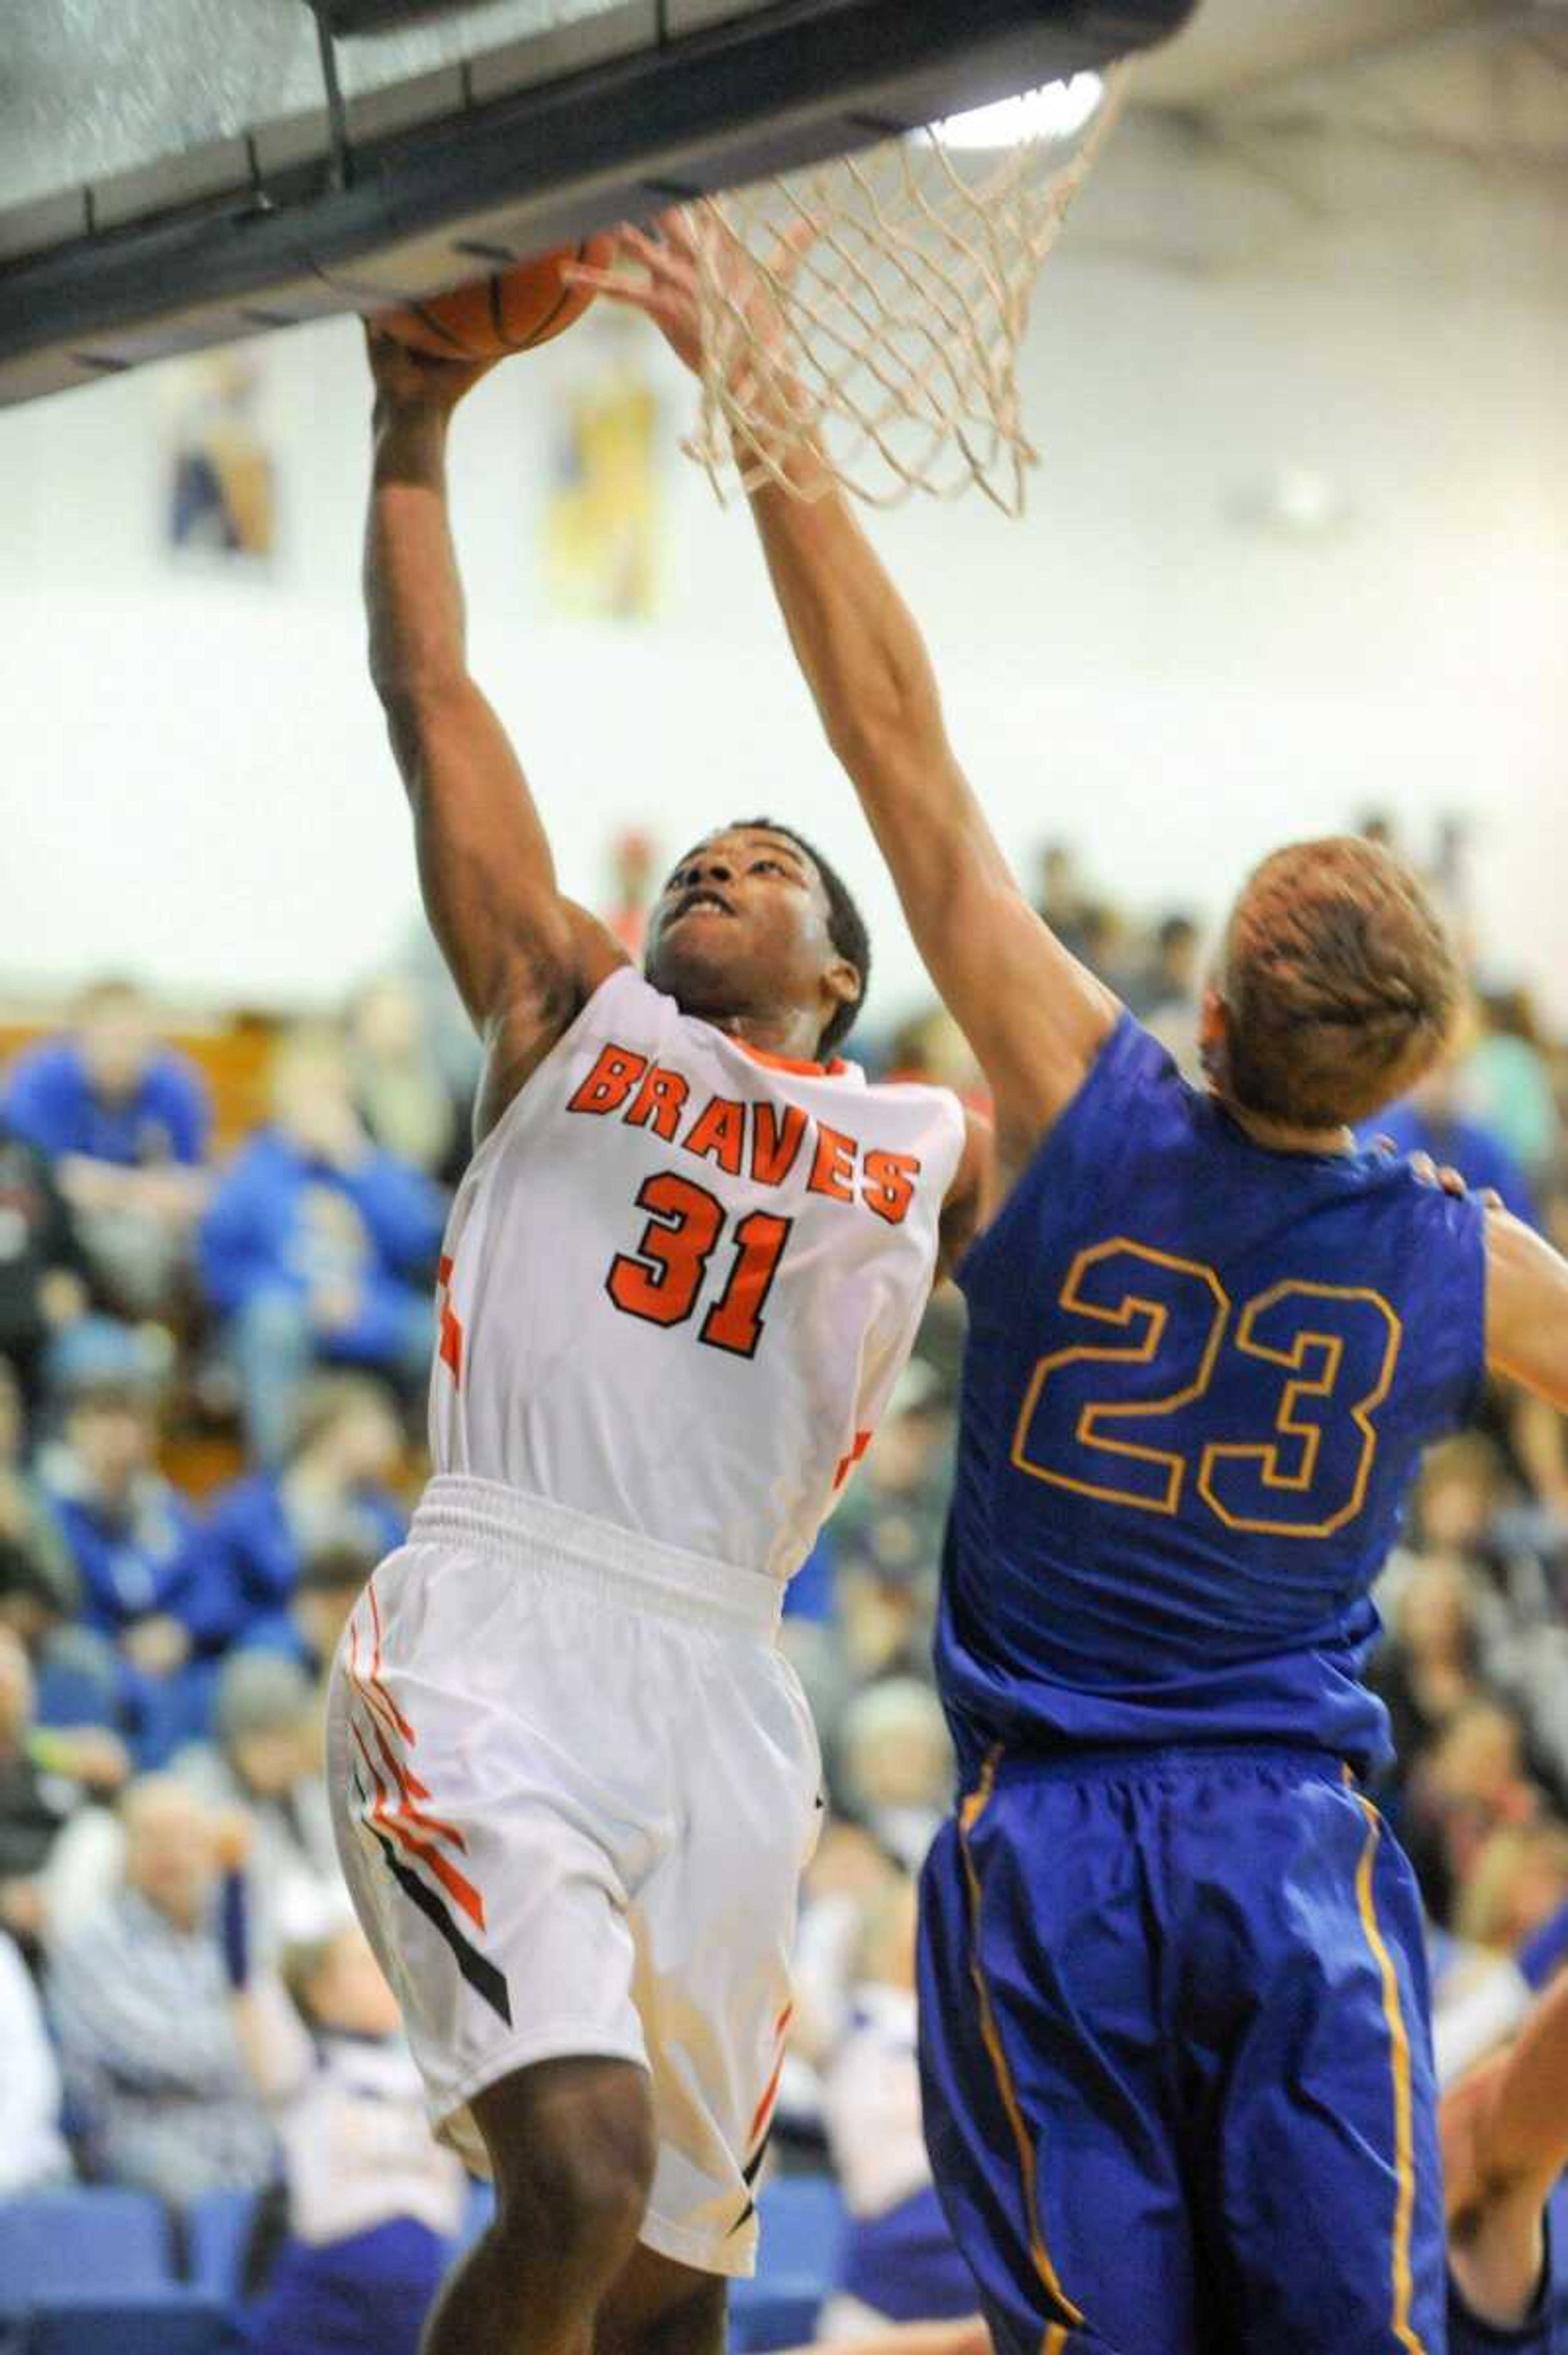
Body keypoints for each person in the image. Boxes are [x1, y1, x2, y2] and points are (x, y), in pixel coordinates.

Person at [579, 212, 1568, 2355]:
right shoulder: (1464, 1257)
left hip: (1053, 1848)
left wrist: (764, 390)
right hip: (1301, 1842)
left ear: (1208, 997)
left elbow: (892, 740)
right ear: (1413, 1072)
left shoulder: (1093, 1101)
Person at [326, 317, 986, 2355]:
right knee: (584, 2171)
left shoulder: (925, 1146)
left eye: (773, 866)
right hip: (498, 1620)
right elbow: (435, 698)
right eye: (700, 852)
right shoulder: (564, 1005)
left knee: (675, 2291)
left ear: (844, 977)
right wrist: (413, 415)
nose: (722, 863)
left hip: (724, 1678)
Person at [199, 1025, 444, 1463]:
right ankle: (280, 1482)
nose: (316, 1107)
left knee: (438, 1339)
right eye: (305, 1093)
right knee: (274, 1325)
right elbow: (220, 1269)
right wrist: (306, 1298)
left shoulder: (371, 1165)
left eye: (328, 1093)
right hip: (285, 1315)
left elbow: (419, 1241)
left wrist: (357, 1163)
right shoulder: (254, 1169)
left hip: (370, 1312)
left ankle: (430, 1482)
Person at [47, 1775, 276, 2206]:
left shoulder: (230, 1936)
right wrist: (249, 2039)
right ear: (125, 1851)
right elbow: (159, 2055)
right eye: (151, 1836)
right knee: (199, 2189)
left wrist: (259, 2044)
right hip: (143, 2136)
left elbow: (283, 2046)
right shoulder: (94, 1943)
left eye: (187, 1837)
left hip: (241, 2127)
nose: (170, 1853)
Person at [1, 978, 210, 1319]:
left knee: (184, 1247)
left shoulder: (176, 1085)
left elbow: (192, 1186)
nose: (122, 1052)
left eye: (133, 1040)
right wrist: (135, 1188)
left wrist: (108, 1187)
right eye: (111, 1039)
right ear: (81, 1037)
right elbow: (40, 1182)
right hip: (60, 1233)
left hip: (148, 1230)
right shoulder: (40, 1080)